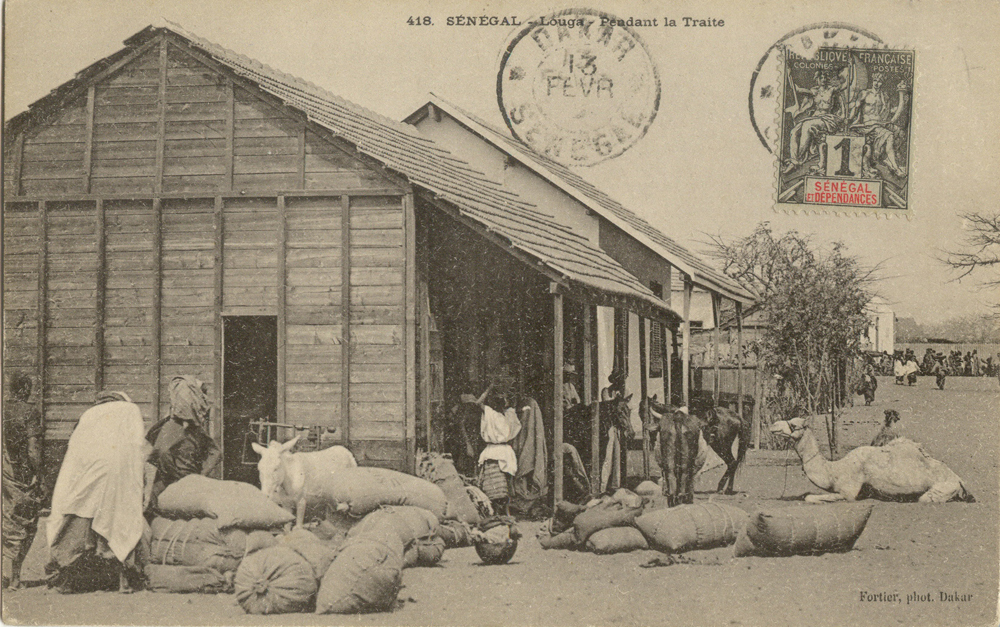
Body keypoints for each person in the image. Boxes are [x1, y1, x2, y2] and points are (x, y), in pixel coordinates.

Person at [46, 392, 150, 593]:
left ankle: (65, 579)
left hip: (89, 471)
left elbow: (74, 452)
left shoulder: (90, 414)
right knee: (121, 519)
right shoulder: (131, 410)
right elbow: (138, 448)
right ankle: (124, 581)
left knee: (77, 518)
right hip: (118, 472)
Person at [145, 376, 221, 508]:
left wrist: (187, 477)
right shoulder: (184, 428)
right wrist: (197, 476)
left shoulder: (177, 427)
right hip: (183, 482)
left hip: (177, 483)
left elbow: (161, 454)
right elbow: (216, 452)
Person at [2, 374, 43, 589]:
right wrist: (39, 475)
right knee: (24, 522)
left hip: (4, 471)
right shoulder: (29, 411)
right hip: (20, 474)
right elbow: (32, 449)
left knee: (5, 521)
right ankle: (15, 578)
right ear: (26, 389)